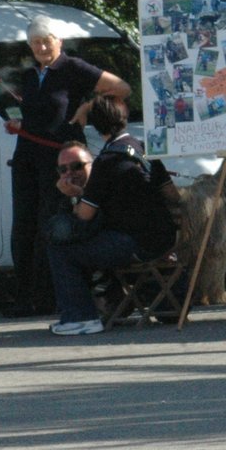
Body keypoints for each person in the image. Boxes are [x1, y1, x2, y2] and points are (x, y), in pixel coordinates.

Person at [4, 17, 132, 317]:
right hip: (26, 157)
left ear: (58, 41)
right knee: (23, 226)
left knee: (52, 223)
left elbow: (122, 88)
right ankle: (24, 298)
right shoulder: (30, 75)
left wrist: (87, 108)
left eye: (47, 40)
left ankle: (49, 297)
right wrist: (20, 124)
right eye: (36, 42)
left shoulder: (72, 67)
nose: (42, 46)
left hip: (59, 162)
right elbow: (42, 114)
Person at [46, 115, 177, 336]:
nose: (70, 174)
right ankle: (97, 309)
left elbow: (84, 225)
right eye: (63, 170)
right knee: (70, 246)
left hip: (136, 244)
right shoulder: (112, 165)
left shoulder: (104, 172)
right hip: (139, 242)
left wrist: (77, 199)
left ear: (92, 162)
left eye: (77, 166)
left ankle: (81, 318)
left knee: (62, 251)